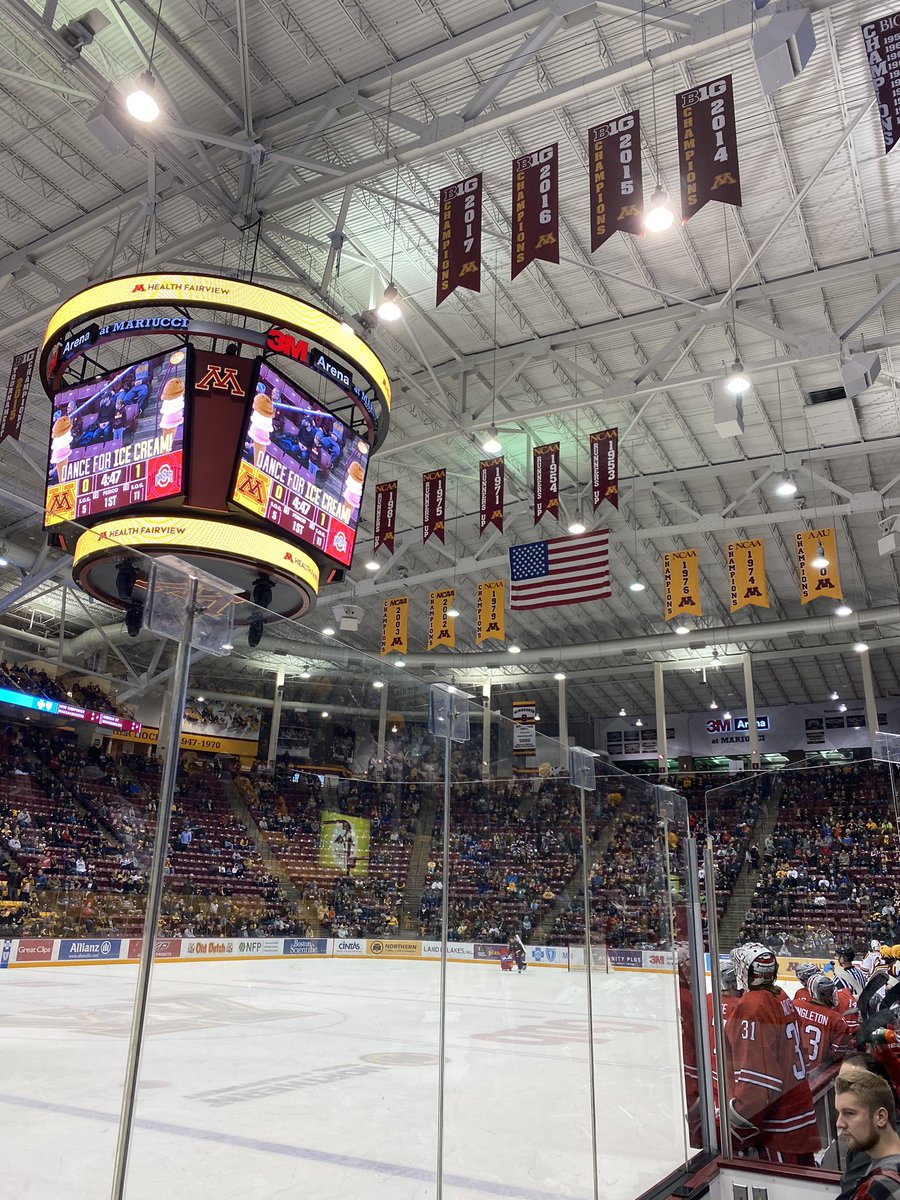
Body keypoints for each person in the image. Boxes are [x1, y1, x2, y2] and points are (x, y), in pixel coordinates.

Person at [726, 942, 820, 1164]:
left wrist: (736, 1130)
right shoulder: (780, 996)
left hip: (777, 1128)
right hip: (798, 1114)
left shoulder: (753, 1006)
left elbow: (759, 1084)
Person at [835, 1071, 900, 1200]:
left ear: (880, 1117)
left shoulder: (879, 1187)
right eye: (839, 1113)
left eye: (849, 1113)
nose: (839, 1123)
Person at [793, 972, 854, 1070]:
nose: (831, 995)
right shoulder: (836, 1019)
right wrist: (852, 1042)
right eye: (828, 993)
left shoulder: (796, 1005)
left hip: (795, 1067)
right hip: (820, 1072)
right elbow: (837, 1054)